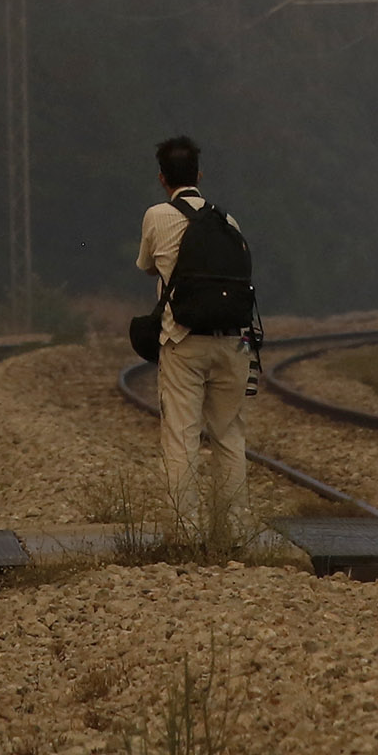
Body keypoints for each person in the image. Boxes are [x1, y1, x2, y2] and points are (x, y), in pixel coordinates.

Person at [135, 134, 256, 548]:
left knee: (182, 437)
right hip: (232, 342)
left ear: (162, 177)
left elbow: (148, 267)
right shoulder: (229, 222)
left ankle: (184, 535)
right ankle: (234, 532)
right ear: (199, 175)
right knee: (229, 435)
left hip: (183, 341)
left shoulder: (157, 215)